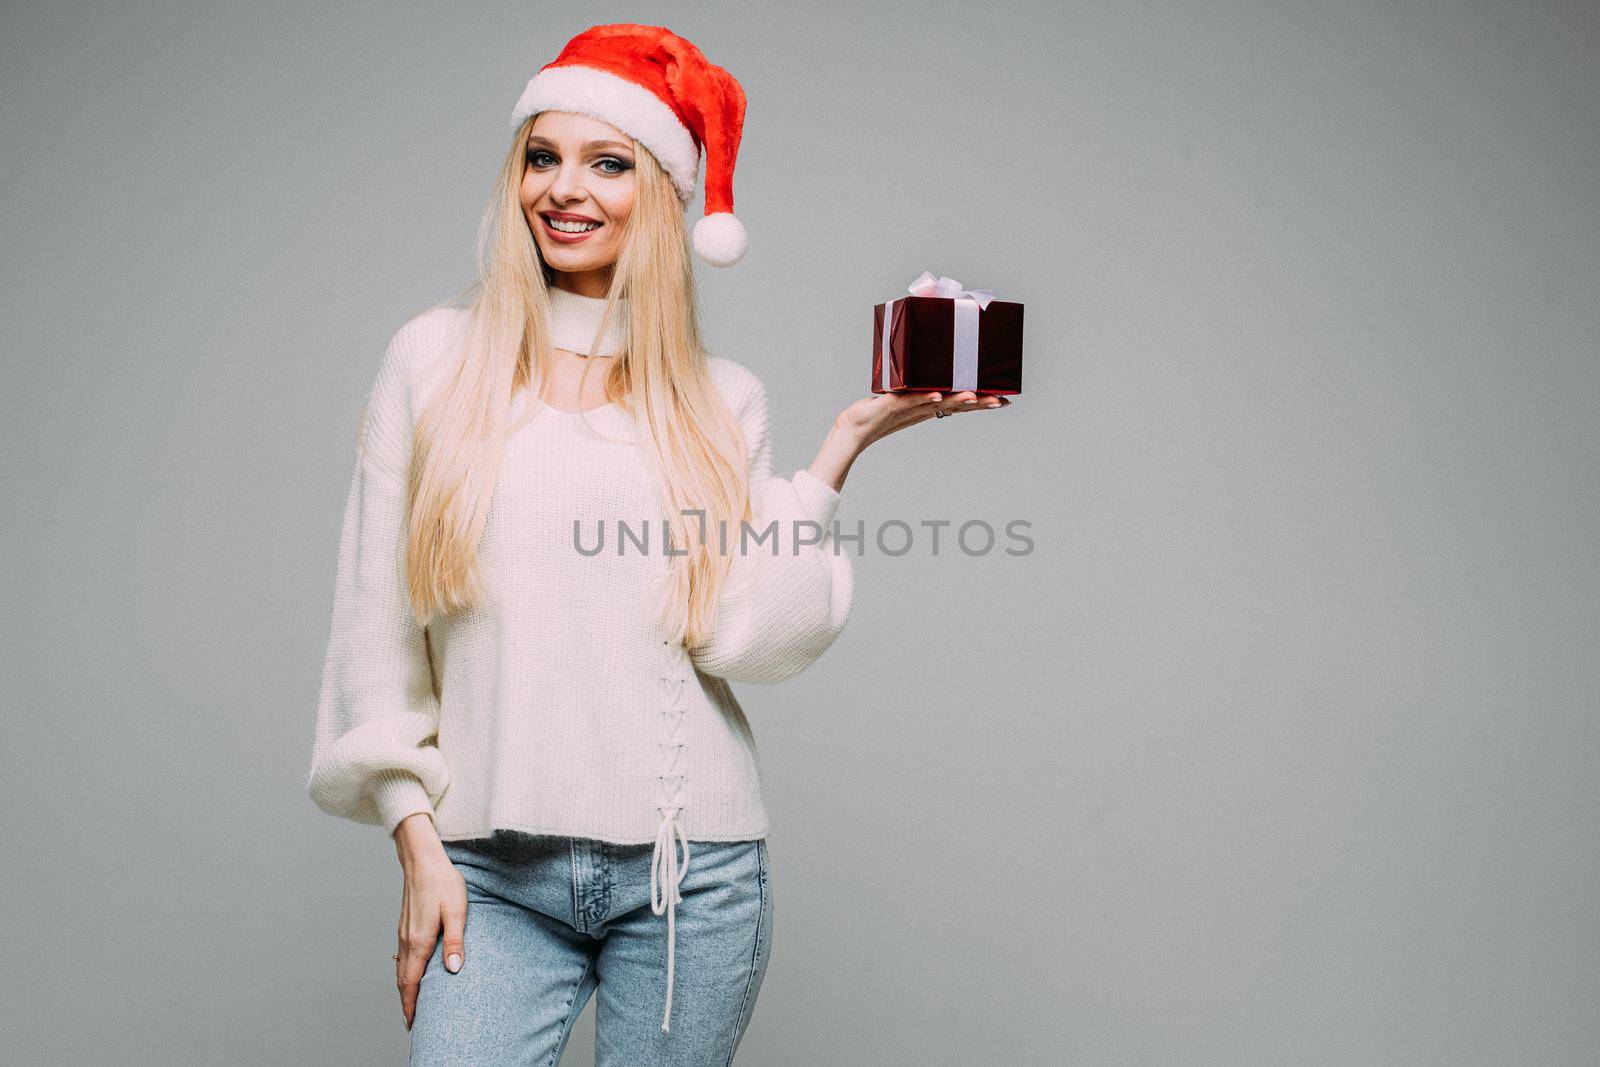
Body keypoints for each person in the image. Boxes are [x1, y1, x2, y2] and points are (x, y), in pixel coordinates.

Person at [306, 22, 1009, 1065]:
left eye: (607, 163)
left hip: (694, 878)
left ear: (666, 196)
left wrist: (834, 456)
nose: (563, 188)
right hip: (489, 872)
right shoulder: (432, 359)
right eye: (542, 157)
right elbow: (374, 627)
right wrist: (416, 839)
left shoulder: (718, 401)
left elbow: (746, 641)